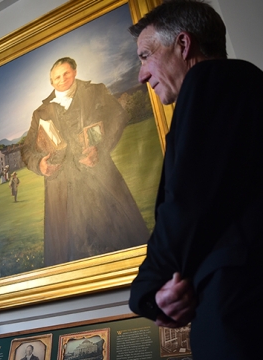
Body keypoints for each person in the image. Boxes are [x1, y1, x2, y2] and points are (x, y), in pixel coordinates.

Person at [127, 1, 263, 358]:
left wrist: (145, 292)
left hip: (240, 312)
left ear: (184, 46)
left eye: (145, 56)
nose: (141, 75)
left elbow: (187, 202)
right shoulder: (249, 86)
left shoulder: (209, 80)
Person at [21, 57, 149, 266]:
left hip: (99, 178)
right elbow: (27, 151)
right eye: (56, 77)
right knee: (72, 253)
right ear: (51, 82)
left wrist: (101, 147)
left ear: (75, 71)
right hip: (62, 189)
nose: (62, 80)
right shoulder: (41, 113)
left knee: (122, 242)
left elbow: (117, 117)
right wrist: (40, 164)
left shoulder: (96, 91)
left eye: (66, 74)